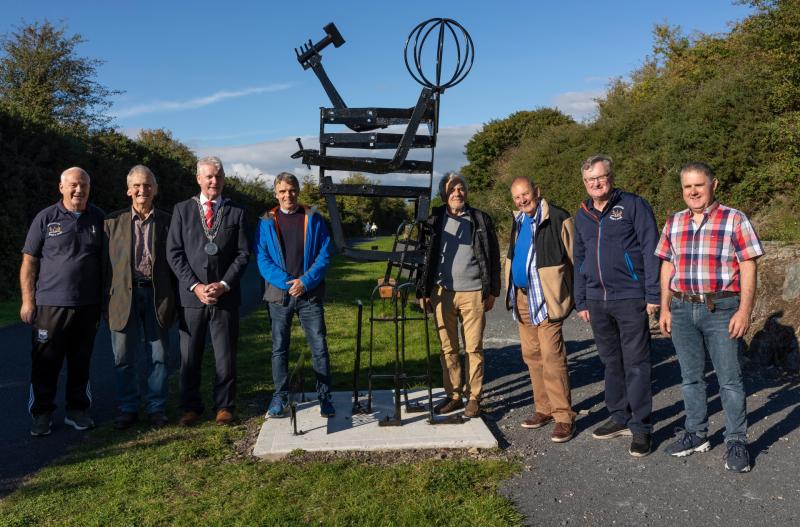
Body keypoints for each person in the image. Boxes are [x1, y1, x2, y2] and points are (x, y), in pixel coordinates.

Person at [656, 162, 764, 473]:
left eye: (699, 185)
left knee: (729, 380)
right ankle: (696, 433)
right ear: (682, 190)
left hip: (722, 309)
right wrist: (664, 307)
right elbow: (667, 266)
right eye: (688, 186)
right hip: (681, 308)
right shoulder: (674, 222)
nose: (693, 191)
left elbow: (748, 266)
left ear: (713, 184)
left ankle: (736, 440)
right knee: (690, 378)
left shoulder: (734, 219)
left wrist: (744, 310)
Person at [573, 154, 660, 457]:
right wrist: (580, 298)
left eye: (600, 177)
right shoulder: (582, 214)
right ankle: (619, 417)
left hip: (630, 296)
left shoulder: (633, 205)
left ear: (610, 177)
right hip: (597, 301)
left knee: (637, 364)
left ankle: (641, 428)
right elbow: (580, 258)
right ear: (584, 183)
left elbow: (651, 249)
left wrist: (652, 294)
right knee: (611, 362)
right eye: (589, 180)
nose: (595, 184)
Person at [21, 167, 104, 436]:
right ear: (61, 187)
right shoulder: (46, 218)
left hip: (88, 305)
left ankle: (77, 410)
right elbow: (29, 262)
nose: (79, 190)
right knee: (46, 362)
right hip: (49, 304)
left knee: (81, 361)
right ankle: (42, 414)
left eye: (84, 185)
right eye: (74, 185)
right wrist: (27, 301)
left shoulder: (99, 218)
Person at [167, 156, 249, 426]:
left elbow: (242, 254)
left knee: (225, 356)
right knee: (190, 357)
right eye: (209, 177)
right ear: (198, 179)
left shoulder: (236, 211)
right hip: (192, 297)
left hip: (225, 297)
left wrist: (224, 284)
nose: (215, 181)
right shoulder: (182, 210)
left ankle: (224, 406)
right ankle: (191, 408)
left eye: (219, 176)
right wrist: (196, 286)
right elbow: (174, 253)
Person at [419, 172, 500, 419]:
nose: (457, 193)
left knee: (473, 347)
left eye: (461, 189)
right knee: (448, 348)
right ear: (444, 194)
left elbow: (493, 256)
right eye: (452, 189)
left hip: (474, 292)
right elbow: (422, 257)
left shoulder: (480, 219)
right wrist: (422, 291)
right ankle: (453, 395)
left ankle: (474, 397)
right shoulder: (433, 219)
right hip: (442, 292)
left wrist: (493, 290)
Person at [254, 172, 335, 418]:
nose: (287, 195)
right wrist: (289, 283)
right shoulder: (266, 221)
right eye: (282, 191)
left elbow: (325, 253)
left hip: (309, 294)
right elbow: (262, 258)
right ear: (276, 194)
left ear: (297, 191)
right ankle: (279, 396)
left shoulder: (313, 217)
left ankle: (324, 396)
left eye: (291, 190)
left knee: (319, 346)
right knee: (279, 348)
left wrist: (305, 281)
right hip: (279, 296)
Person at [103, 165, 177, 429]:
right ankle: (128, 408)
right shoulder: (111, 223)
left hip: (158, 296)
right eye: (137, 185)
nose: (142, 190)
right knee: (123, 358)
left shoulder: (169, 221)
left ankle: (156, 408)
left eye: (147, 185)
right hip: (122, 297)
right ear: (128, 190)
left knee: (158, 356)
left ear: (155, 190)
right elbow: (102, 267)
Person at [506, 177, 577, 443]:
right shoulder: (519, 220)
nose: (522, 200)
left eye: (525, 194)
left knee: (552, 358)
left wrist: (577, 298)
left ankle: (563, 417)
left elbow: (574, 258)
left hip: (547, 299)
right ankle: (544, 409)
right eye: (516, 197)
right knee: (532, 356)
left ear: (537, 191)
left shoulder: (558, 217)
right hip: (522, 298)